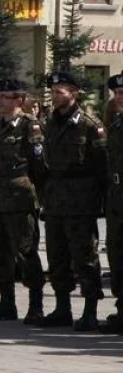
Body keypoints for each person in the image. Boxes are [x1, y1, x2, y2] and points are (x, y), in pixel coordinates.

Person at [40, 71, 107, 331]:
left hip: (81, 199)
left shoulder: (90, 124)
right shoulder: (52, 121)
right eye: (54, 91)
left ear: (74, 94)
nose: (55, 95)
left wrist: (99, 200)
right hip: (56, 198)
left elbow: (102, 166)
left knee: (85, 256)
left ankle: (90, 310)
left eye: (60, 91)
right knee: (57, 255)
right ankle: (62, 307)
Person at [0, 79, 46, 324]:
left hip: (20, 198)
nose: (0, 101)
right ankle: (6, 302)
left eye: (6, 97)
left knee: (26, 251)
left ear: (19, 100)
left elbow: (39, 166)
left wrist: (36, 195)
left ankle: (36, 304)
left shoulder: (30, 126)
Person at [103, 72, 123, 333]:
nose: (119, 97)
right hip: (117, 197)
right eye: (117, 93)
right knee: (117, 253)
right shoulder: (117, 124)